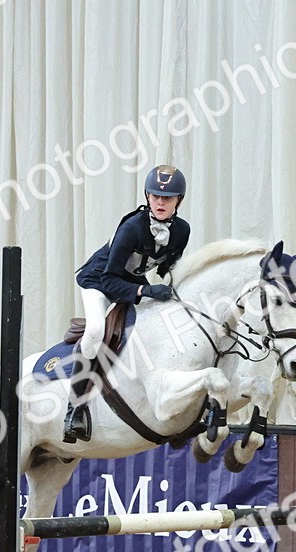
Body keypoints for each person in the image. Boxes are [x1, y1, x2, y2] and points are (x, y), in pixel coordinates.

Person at [63, 165, 191, 443]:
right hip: (100, 282)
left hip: (133, 281)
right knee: (96, 330)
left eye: (167, 198)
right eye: (155, 196)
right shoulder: (132, 227)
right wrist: (145, 289)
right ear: (147, 196)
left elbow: (169, 267)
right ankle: (75, 408)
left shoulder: (181, 230)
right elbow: (110, 279)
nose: (160, 202)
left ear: (178, 200)